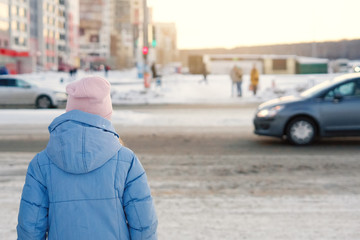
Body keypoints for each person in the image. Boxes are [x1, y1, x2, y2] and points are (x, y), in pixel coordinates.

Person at [17, 76, 158, 240]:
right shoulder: (126, 161)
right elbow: (144, 223)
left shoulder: (41, 164)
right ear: (105, 115)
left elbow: (30, 227)